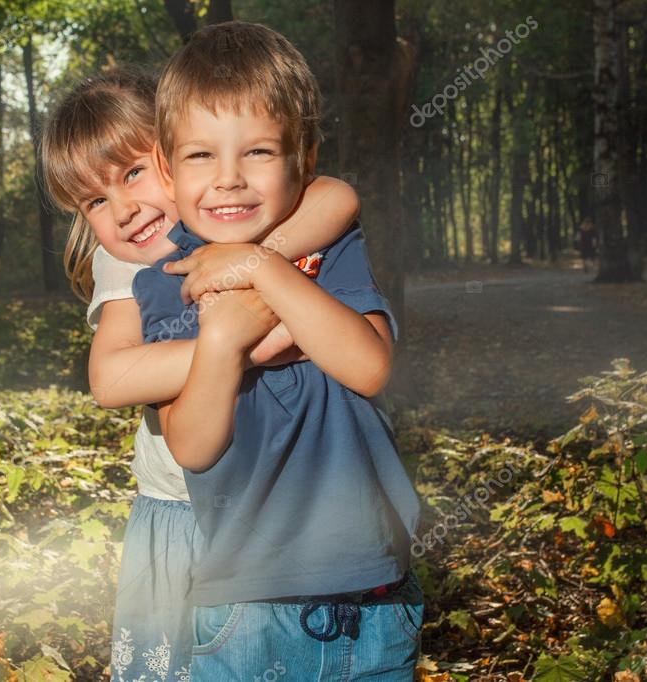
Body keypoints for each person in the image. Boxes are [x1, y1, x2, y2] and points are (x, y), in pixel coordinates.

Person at [40, 67, 362, 681]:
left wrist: (252, 259)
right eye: (96, 202)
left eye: (133, 172)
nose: (126, 210)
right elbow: (111, 379)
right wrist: (238, 344)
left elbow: (338, 196)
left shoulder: (236, 214)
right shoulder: (128, 265)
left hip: (276, 506)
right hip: (181, 514)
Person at [134, 21, 424, 680]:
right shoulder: (169, 284)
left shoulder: (330, 249)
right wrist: (222, 339)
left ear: (304, 156)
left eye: (259, 152)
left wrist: (262, 269)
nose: (229, 180)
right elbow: (194, 446)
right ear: (164, 168)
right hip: (244, 608)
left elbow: (369, 366)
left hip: (373, 603)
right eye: (200, 156)